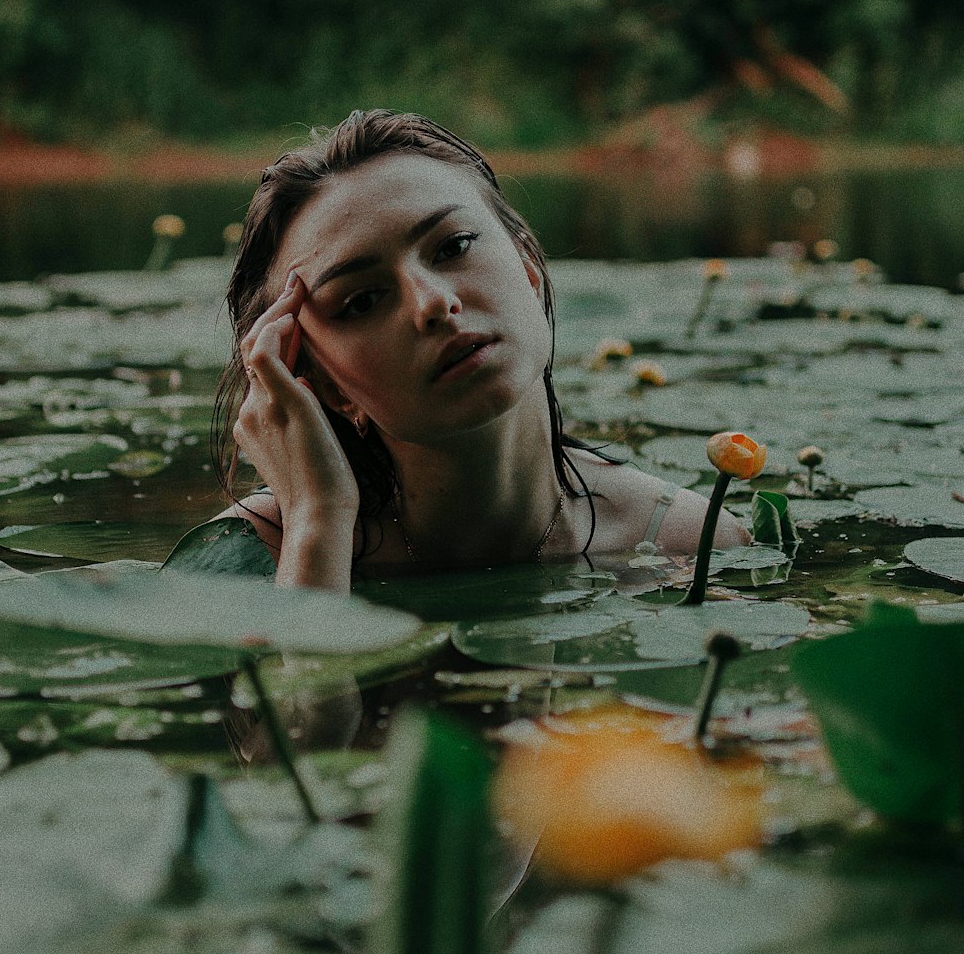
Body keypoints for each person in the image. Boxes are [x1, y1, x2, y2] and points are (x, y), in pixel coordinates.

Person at [211, 109, 745, 593]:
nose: (433, 303)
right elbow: (300, 704)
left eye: (454, 246)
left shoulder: (693, 546)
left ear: (528, 269)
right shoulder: (243, 563)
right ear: (321, 383)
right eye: (362, 300)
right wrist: (316, 523)